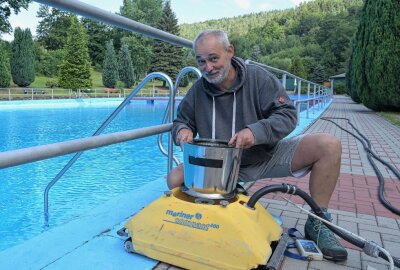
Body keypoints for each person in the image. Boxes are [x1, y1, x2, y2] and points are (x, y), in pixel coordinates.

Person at [168, 29, 347, 261]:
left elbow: (288, 114)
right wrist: (182, 130)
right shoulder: (197, 90)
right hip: (220, 165)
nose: (207, 68)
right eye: (201, 61)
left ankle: (318, 222)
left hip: (266, 155)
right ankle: (225, 200)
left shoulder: (258, 78)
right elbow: (181, 120)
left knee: (329, 146)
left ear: (230, 51)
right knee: (173, 180)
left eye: (213, 58)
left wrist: (255, 132)